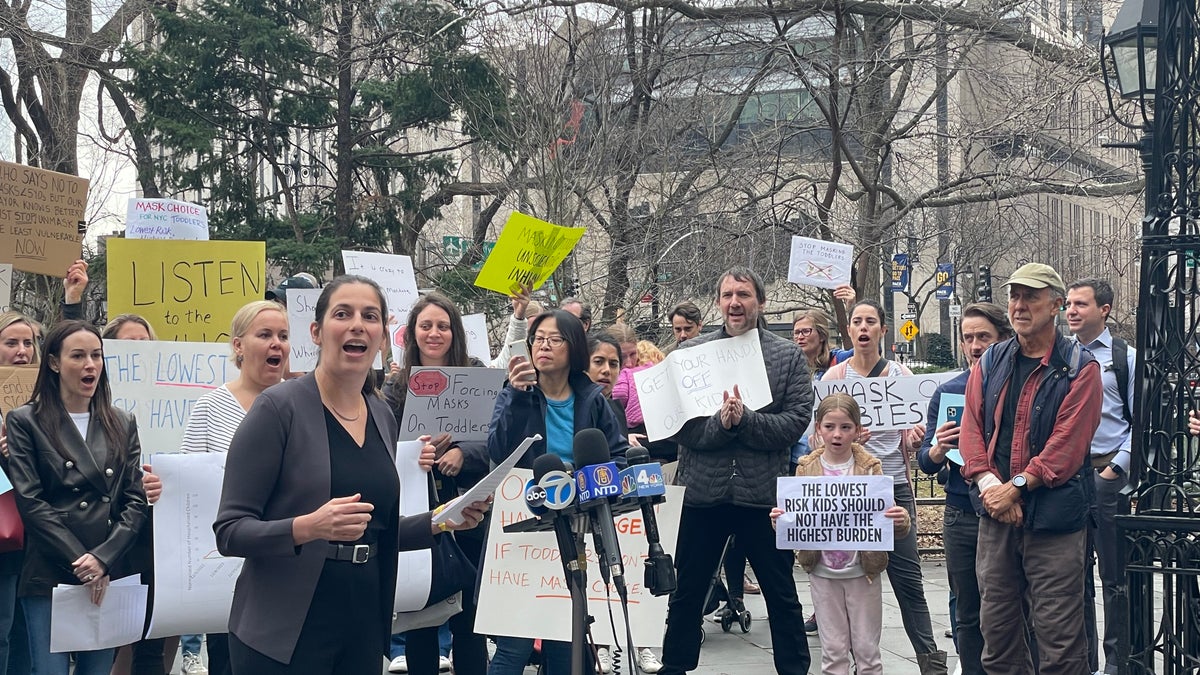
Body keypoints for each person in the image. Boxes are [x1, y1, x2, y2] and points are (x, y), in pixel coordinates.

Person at [214, 275, 488, 673]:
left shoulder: (381, 413)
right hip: (284, 629)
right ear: (316, 332)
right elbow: (230, 530)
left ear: (382, 337)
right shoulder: (277, 409)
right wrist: (307, 527)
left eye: (370, 316)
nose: (357, 324)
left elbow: (378, 529)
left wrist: (442, 521)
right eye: (343, 313)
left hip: (362, 622)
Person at [658, 266, 812, 675]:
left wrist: (745, 421)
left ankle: (794, 668)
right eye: (726, 295)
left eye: (743, 294)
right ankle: (675, 666)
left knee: (781, 594)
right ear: (718, 302)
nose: (734, 302)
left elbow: (795, 422)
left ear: (760, 303)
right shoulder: (693, 354)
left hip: (761, 498)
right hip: (704, 496)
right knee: (687, 591)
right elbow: (683, 428)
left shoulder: (788, 356)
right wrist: (720, 425)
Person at [959, 262, 1102, 674]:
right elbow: (972, 429)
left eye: (1031, 297)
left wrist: (1016, 486)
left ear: (1056, 304)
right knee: (998, 636)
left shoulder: (1081, 366)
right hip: (996, 515)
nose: (1020, 305)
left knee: (1060, 640)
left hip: (1056, 520)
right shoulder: (991, 362)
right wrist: (992, 487)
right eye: (1015, 296)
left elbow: (1067, 446)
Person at [4, 320, 149, 675]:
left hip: (108, 565)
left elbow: (133, 498)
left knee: (97, 670)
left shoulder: (122, 421)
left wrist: (103, 559)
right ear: (54, 362)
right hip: (51, 568)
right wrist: (82, 562)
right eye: (78, 356)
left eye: (96, 356)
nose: (90, 365)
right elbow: (32, 500)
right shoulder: (26, 421)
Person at [487, 310, 628, 675]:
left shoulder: (593, 399)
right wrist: (517, 396)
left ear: (573, 347)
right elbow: (497, 450)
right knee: (513, 646)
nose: (543, 346)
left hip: (577, 530)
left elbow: (616, 454)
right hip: (525, 531)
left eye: (554, 339)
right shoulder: (514, 392)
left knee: (567, 643)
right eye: (538, 338)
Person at [821, 299, 946, 674]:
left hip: (893, 489)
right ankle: (856, 662)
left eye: (870, 321)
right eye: (857, 321)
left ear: (882, 330)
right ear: (849, 331)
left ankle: (930, 661)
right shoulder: (834, 379)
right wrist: (850, 438)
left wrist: (915, 438)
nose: (863, 328)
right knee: (850, 582)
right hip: (847, 494)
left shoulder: (900, 374)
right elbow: (818, 440)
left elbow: (909, 438)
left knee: (909, 581)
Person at [173, 300, 291, 675]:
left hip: (294, 568)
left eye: (284, 336)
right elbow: (186, 484)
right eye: (265, 335)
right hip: (226, 574)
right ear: (238, 345)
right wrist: (163, 486)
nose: (277, 344)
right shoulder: (209, 408)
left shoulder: (307, 402)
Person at [381, 293, 489, 675]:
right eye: (426, 325)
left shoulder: (476, 373)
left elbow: (494, 436)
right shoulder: (396, 385)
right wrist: (416, 454)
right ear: (413, 334)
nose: (434, 333)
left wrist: (462, 451)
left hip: (472, 511)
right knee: (421, 623)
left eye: (442, 326)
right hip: (420, 514)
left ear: (454, 332)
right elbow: (386, 444)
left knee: (471, 622)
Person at [771, 392, 910, 675]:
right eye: (830, 427)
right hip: (822, 571)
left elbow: (890, 518)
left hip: (863, 571)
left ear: (858, 430)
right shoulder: (806, 468)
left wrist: (901, 519)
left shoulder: (870, 466)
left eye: (845, 427)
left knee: (867, 650)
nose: (837, 435)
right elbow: (795, 519)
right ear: (818, 428)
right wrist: (780, 521)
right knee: (833, 651)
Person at [916, 302, 1012, 675]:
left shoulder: (1015, 385)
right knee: (966, 607)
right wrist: (938, 449)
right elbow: (924, 460)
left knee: (1008, 605)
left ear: (1003, 339)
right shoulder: (949, 391)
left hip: (1007, 509)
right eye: (968, 338)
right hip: (961, 512)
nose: (975, 346)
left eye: (983, 337)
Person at [1065, 278, 1134, 675]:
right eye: (1069, 304)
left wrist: (1116, 469)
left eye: (1081, 304)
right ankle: (1082, 662)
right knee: (1072, 577)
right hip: (1067, 477)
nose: (1071, 311)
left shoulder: (1126, 358)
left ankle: (1118, 663)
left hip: (1107, 475)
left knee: (1113, 575)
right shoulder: (1062, 356)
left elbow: (1141, 422)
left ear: (1104, 309)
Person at [583, 333, 663, 675]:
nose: (607, 370)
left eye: (613, 364)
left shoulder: (612, 407)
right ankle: (597, 648)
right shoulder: (578, 404)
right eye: (598, 362)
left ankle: (642, 643)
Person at [0, 312, 37, 675]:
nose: (22, 351)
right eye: (11, 343)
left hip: (38, 539)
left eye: (28, 343)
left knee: (27, 635)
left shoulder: (46, 402)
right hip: (5, 541)